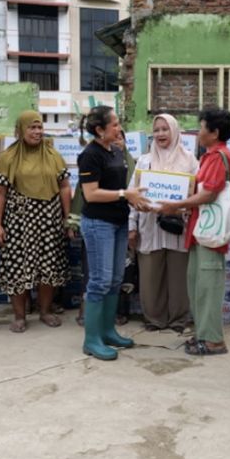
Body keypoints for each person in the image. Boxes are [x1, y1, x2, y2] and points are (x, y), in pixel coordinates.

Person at [157, 108, 230, 355]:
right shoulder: (210, 156)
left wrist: (176, 204)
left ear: (214, 133)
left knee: (208, 289)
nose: (198, 131)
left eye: (202, 127)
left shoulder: (217, 157)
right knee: (197, 286)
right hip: (200, 232)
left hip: (209, 235)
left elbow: (208, 194)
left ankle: (214, 340)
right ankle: (203, 334)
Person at [76, 105, 151, 360]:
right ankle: (92, 339)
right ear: (100, 129)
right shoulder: (90, 155)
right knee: (99, 281)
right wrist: (124, 194)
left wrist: (134, 200)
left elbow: (123, 187)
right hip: (99, 224)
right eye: (115, 124)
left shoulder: (115, 151)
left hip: (118, 222)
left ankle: (108, 331)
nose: (120, 128)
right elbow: (91, 194)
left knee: (116, 280)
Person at [0, 111, 71, 332]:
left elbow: (64, 187)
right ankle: (19, 316)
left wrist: (68, 218)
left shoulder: (53, 155)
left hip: (50, 220)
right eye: (32, 128)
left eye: (39, 127)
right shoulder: (8, 157)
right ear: (20, 130)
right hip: (18, 221)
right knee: (18, 267)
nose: (37, 132)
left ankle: (44, 311)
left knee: (49, 266)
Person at [130, 114, 198, 333]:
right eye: (157, 130)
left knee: (179, 278)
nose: (160, 134)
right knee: (150, 278)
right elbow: (133, 195)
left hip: (179, 227)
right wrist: (132, 225)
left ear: (175, 131)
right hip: (149, 227)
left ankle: (178, 320)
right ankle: (154, 319)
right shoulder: (144, 161)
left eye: (165, 129)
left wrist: (181, 208)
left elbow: (196, 194)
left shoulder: (189, 160)